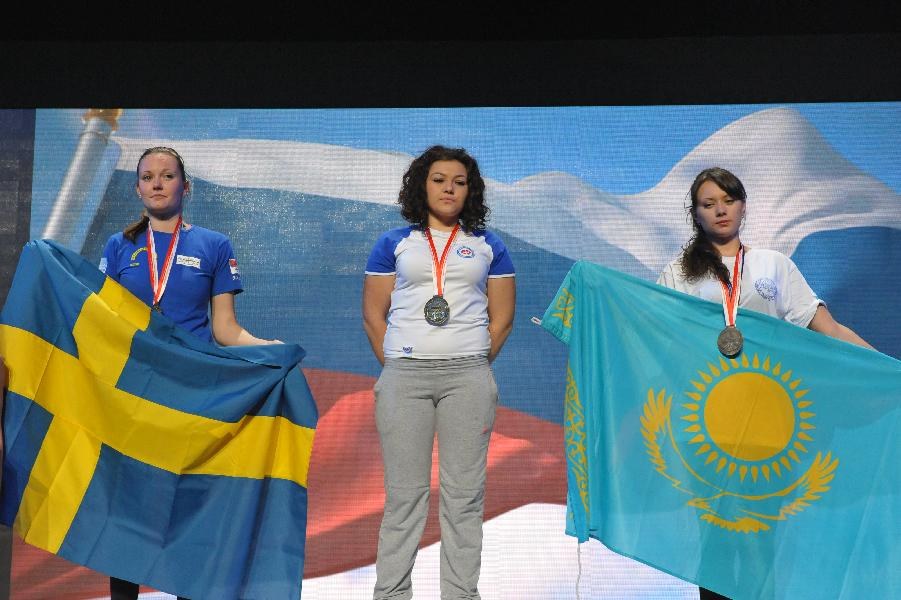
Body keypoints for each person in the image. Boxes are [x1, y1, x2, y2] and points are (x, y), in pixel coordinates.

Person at [657, 166, 873, 600]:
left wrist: (885, 365)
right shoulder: (680, 272)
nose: (720, 210)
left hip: (767, 425)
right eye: (708, 204)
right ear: (695, 214)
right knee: (714, 545)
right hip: (707, 426)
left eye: (728, 200)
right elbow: (654, 331)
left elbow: (827, 327)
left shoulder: (773, 265)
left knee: (759, 544)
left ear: (743, 205)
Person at [99, 146, 279, 600]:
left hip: (191, 395)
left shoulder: (214, 245)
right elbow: (102, 323)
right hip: (134, 395)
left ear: (185, 185)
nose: (157, 183)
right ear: (137, 187)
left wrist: (272, 350)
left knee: (187, 509)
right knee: (130, 511)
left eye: (167, 175)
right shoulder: (119, 246)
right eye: (148, 176)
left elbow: (225, 329)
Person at [362, 145, 516, 600]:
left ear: (471, 191)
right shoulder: (394, 243)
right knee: (404, 497)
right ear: (421, 185)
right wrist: (396, 369)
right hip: (404, 379)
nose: (449, 188)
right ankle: (390, 595)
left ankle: (461, 595)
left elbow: (502, 319)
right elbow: (374, 316)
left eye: (459, 181)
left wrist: (471, 365)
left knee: (463, 498)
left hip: (467, 378)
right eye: (439, 179)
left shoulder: (490, 246)